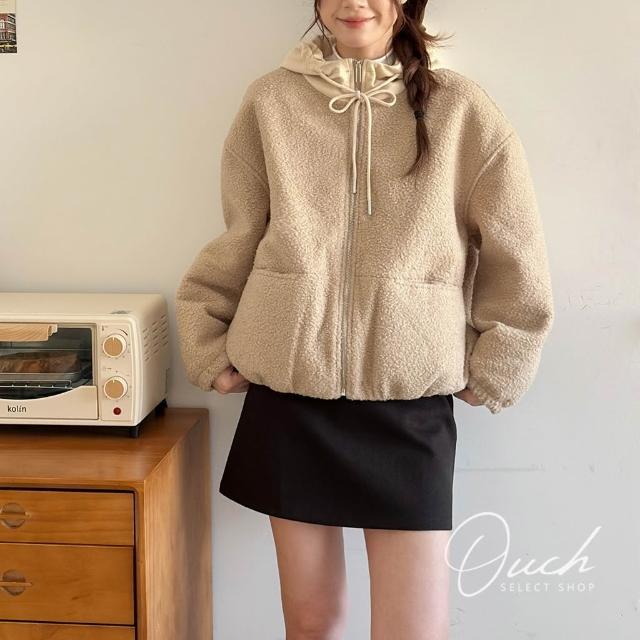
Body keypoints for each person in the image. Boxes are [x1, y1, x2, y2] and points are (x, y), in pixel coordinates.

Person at [175, 0, 554, 637]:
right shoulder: (271, 101)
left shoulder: (460, 107)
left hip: (409, 405)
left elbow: (517, 249)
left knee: (413, 631)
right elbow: (241, 233)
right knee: (311, 623)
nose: (354, 2)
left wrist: (500, 362)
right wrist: (207, 341)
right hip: (291, 397)